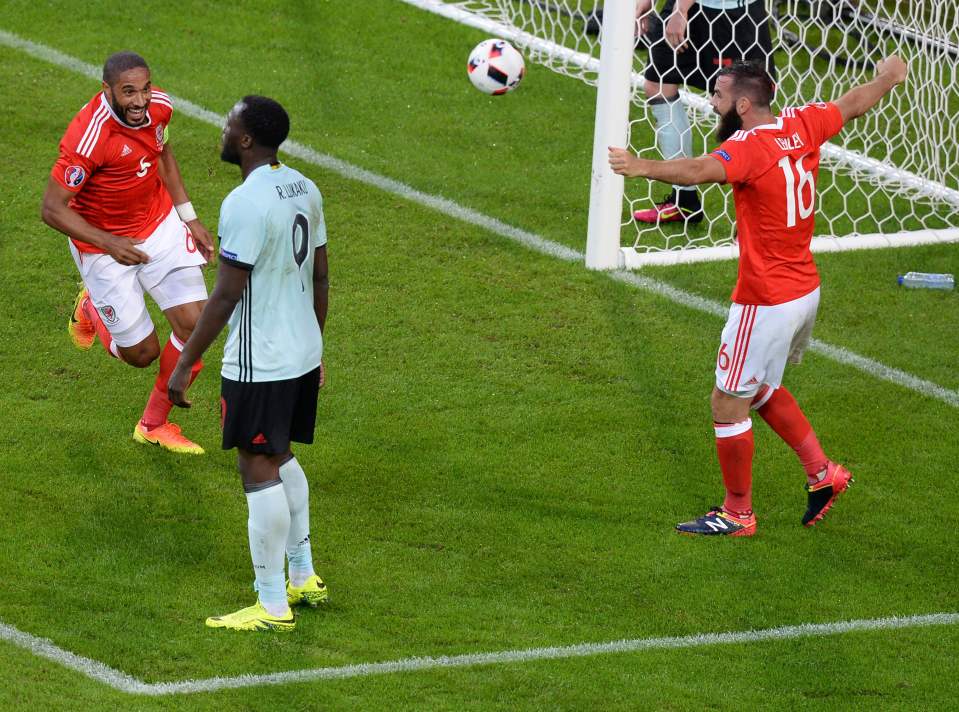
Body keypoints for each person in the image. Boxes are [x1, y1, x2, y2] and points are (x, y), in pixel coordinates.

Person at [609, 55, 908, 536]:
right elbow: (852, 104)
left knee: (727, 401)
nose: (713, 102)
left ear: (743, 105)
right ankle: (822, 473)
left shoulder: (748, 146)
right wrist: (890, 77)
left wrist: (639, 166)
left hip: (765, 297)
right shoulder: (803, 122)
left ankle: (737, 512)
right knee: (761, 387)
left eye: (720, 96)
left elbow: (700, 169)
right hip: (804, 288)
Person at [167, 96, 329, 631]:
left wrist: (185, 363)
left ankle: (271, 605)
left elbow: (225, 295)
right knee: (280, 454)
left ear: (244, 140)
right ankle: (302, 575)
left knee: (256, 465)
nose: (222, 127)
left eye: (228, 121)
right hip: (302, 350)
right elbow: (321, 277)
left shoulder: (244, 202)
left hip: (261, 360)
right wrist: (317, 346)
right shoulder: (305, 185)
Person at [41, 51, 214, 454]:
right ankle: (91, 310)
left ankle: (154, 424)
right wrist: (109, 243)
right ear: (108, 91)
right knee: (141, 354)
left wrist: (189, 218)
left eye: (145, 89)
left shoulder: (159, 109)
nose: (139, 101)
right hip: (101, 244)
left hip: (158, 224)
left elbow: (163, 154)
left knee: (196, 327)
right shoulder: (89, 137)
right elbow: (52, 208)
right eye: (129, 92)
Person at [632, 0, 776, 225]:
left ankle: (757, 220)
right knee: (658, 84)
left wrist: (681, 11)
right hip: (688, 8)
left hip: (729, 13)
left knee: (743, 106)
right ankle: (684, 199)